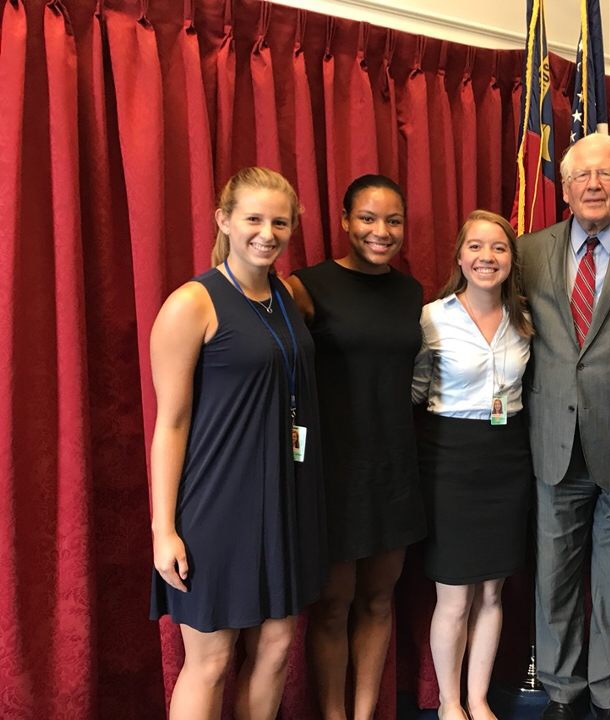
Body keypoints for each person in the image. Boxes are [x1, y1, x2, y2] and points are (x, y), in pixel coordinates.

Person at [149, 167, 325, 719]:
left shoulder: (288, 296)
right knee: (212, 660)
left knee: (275, 650)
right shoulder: (191, 305)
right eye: (253, 218)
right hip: (216, 507)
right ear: (224, 220)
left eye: (279, 222)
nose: (266, 233)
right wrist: (163, 530)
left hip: (285, 499)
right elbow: (171, 424)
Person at [519, 133, 610, 720]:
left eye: (606, 175)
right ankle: (561, 691)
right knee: (555, 579)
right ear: (565, 189)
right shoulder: (527, 251)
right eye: (582, 177)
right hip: (552, 440)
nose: (594, 185)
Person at [287, 175, 425, 720]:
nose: (380, 231)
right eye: (367, 218)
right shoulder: (306, 285)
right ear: (344, 221)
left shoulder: (411, 291)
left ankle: (366, 714)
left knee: (378, 599)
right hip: (333, 470)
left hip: (395, 465)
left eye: (393, 220)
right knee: (332, 606)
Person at [412, 210, 534, 720]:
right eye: (477, 248)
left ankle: (479, 699)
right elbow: (416, 391)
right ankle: (448, 702)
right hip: (449, 457)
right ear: (460, 257)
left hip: (508, 458)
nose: (488, 258)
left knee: (492, 590)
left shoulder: (525, 318)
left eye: (499, 248)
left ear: (511, 260)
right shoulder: (431, 317)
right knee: (455, 594)